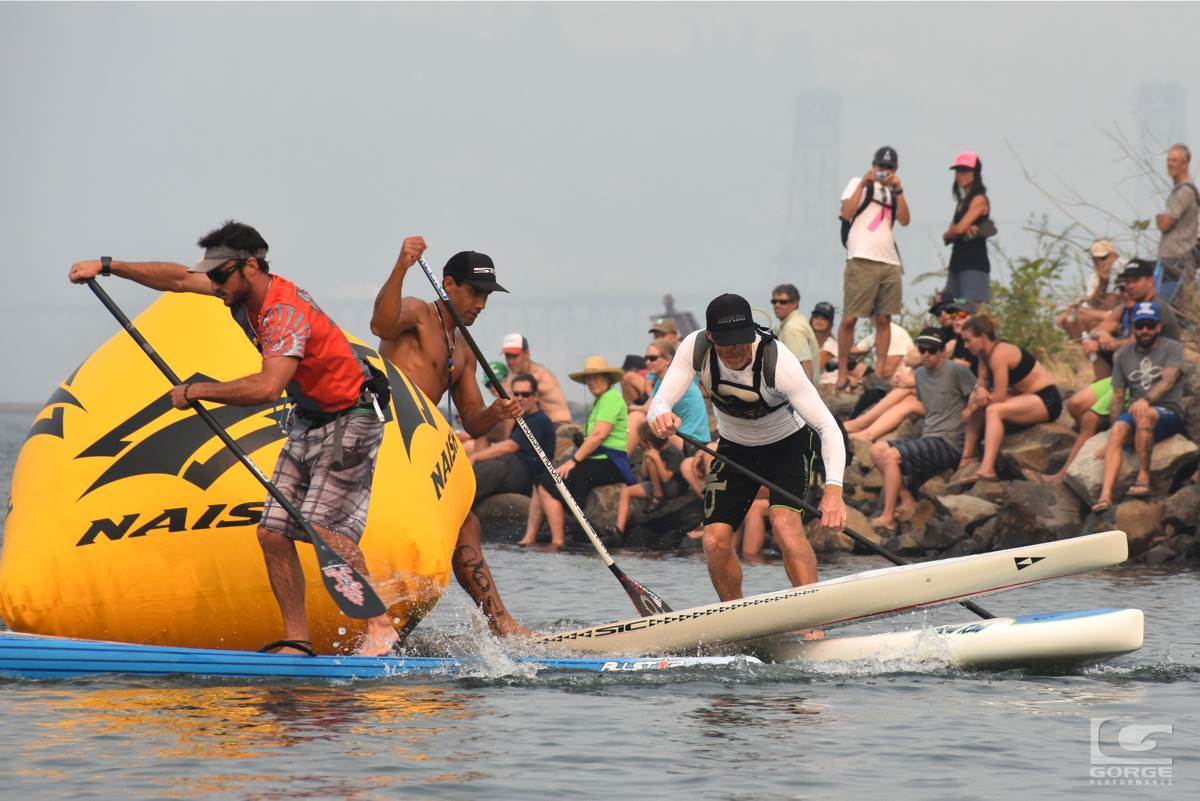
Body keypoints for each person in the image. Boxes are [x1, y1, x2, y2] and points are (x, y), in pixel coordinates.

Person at [69, 221, 399, 656]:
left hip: (352, 419)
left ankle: (380, 627)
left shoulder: (283, 312)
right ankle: (297, 641)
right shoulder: (236, 289)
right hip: (310, 418)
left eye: (220, 274)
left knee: (323, 529)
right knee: (273, 534)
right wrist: (108, 266)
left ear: (250, 267)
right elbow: (177, 278)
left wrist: (197, 390)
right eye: (211, 274)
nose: (214, 283)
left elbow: (268, 387)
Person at [370, 236, 527, 637]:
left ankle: (499, 623)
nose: (481, 304)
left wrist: (497, 412)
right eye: (474, 292)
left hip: (420, 450)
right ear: (449, 285)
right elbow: (380, 325)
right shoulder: (418, 314)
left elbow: (474, 422)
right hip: (384, 437)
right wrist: (401, 266)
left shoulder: (465, 349)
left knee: (466, 522)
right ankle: (376, 618)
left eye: (486, 296)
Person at [648, 293, 847, 604]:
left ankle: (812, 616)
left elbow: (827, 427)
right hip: (734, 449)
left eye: (742, 341)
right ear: (710, 337)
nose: (736, 351)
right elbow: (660, 402)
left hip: (788, 445)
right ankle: (735, 615)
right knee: (714, 541)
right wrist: (660, 416)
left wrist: (834, 491)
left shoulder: (778, 361)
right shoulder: (694, 348)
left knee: (784, 525)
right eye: (727, 344)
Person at [869, 329, 976, 533]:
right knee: (876, 450)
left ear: (942, 351)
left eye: (932, 350)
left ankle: (888, 518)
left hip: (949, 442)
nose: (926, 354)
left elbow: (978, 399)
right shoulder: (919, 375)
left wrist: (968, 451)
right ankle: (907, 500)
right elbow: (928, 406)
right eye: (922, 349)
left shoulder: (957, 371)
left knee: (891, 456)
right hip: (928, 437)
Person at [1092, 302, 1186, 512]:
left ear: (1158, 327)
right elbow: (1118, 396)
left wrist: (1147, 400)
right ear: (1133, 327)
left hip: (1167, 410)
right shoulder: (1123, 355)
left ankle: (1143, 477)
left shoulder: (1172, 348)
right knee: (1118, 430)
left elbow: (1168, 380)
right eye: (1140, 325)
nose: (1145, 330)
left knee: (1144, 414)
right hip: (1136, 412)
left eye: (1150, 325)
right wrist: (1111, 436)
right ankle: (1105, 495)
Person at [532, 357, 635, 547]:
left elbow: (598, 436)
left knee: (553, 480)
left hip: (611, 462)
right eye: (589, 378)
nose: (592, 382)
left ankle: (558, 540)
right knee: (547, 478)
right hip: (597, 459)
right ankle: (552, 533)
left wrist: (574, 461)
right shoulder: (600, 400)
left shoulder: (611, 398)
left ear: (607, 379)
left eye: (597, 377)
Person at [837, 146, 911, 387]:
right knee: (850, 318)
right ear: (873, 165)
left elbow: (905, 220)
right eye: (881, 166)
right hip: (861, 257)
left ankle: (879, 374)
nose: (884, 171)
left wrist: (898, 190)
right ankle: (841, 372)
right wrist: (864, 183)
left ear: (895, 170)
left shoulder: (893, 192)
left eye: (889, 168)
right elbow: (846, 212)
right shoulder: (858, 183)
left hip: (889, 261)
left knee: (883, 319)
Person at [958, 314, 1062, 482]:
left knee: (994, 410)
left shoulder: (1000, 353)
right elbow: (982, 381)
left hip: (1046, 399)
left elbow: (999, 397)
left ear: (982, 337)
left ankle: (987, 469)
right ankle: (967, 457)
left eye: (968, 340)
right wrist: (979, 390)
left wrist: (972, 409)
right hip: (1024, 396)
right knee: (974, 397)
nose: (965, 345)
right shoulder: (983, 354)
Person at [469, 373, 558, 502]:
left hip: (524, 474)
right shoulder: (523, 419)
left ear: (536, 396)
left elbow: (511, 446)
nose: (520, 398)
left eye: (525, 394)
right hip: (511, 467)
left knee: (488, 469)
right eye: (516, 394)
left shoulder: (539, 420)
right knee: (485, 467)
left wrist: (475, 457)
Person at [628, 339, 710, 455]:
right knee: (641, 420)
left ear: (667, 360)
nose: (647, 362)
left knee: (638, 419)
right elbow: (650, 406)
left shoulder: (676, 382)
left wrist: (632, 408)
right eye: (645, 358)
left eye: (652, 358)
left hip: (695, 442)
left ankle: (620, 459)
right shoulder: (660, 381)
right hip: (679, 436)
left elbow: (648, 409)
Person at [615, 421, 688, 538]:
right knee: (626, 492)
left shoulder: (673, 453)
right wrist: (646, 457)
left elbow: (665, 478)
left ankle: (658, 496)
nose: (639, 444)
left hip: (673, 486)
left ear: (648, 442)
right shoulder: (652, 451)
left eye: (641, 441)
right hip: (656, 485)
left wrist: (657, 459)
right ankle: (619, 529)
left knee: (652, 460)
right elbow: (644, 474)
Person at [941, 151, 992, 304]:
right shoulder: (961, 202)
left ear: (975, 173)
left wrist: (954, 232)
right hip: (957, 262)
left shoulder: (979, 199)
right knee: (949, 307)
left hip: (974, 264)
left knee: (968, 309)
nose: (960, 175)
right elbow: (949, 234)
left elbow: (957, 229)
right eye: (958, 171)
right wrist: (952, 233)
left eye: (965, 171)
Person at [1155, 143, 1198, 304]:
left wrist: (1159, 218)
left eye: (1174, 160)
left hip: (1178, 259)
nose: (1169, 164)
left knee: (1168, 304)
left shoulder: (1185, 191)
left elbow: (1165, 224)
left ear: (1185, 164)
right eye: (1168, 160)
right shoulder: (1179, 190)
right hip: (1172, 259)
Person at [499, 333, 572, 425]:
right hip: (541, 425)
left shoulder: (538, 375)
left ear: (527, 354)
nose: (510, 361)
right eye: (507, 356)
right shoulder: (516, 376)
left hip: (558, 424)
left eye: (514, 356)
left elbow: (510, 402)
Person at [1057, 240, 1124, 340]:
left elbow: (1110, 305)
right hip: (1105, 313)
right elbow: (1095, 303)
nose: (1099, 262)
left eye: (1103, 258)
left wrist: (1082, 310)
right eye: (1095, 259)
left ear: (1113, 256)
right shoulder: (1094, 277)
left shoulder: (1120, 269)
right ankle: (1085, 342)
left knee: (1079, 315)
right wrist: (1102, 282)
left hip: (1119, 313)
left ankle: (1089, 341)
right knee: (1062, 319)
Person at [771, 283, 820, 381]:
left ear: (795, 303)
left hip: (799, 388)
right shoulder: (792, 323)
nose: (777, 305)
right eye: (774, 301)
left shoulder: (793, 328)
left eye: (783, 302)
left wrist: (806, 391)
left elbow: (805, 363)